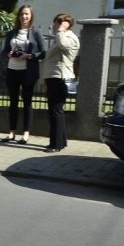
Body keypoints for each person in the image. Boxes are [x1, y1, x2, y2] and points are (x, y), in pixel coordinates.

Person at [0, 4, 46, 144]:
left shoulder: (35, 33)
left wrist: (29, 56)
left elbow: (43, 53)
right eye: (21, 14)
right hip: (12, 70)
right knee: (13, 103)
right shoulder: (12, 33)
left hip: (27, 72)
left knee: (27, 103)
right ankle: (11, 132)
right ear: (18, 17)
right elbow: (4, 51)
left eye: (26, 14)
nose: (24, 17)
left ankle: (25, 133)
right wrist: (9, 53)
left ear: (31, 16)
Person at [40, 13, 80, 153]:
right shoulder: (61, 37)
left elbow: (63, 45)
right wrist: (45, 78)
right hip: (53, 78)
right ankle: (60, 142)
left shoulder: (68, 37)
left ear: (63, 24)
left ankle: (55, 144)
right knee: (56, 111)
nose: (53, 27)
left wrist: (61, 29)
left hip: (60, 78)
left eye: (56, 24)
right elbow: (48, 59)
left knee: (56, 112)